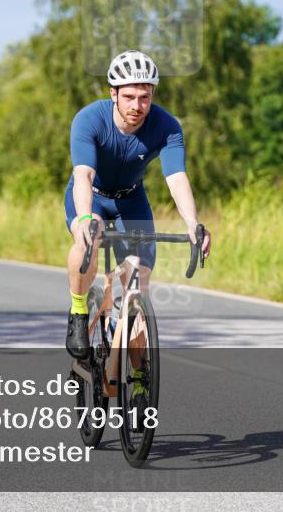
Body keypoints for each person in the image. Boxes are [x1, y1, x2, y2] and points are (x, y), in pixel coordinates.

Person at [64, 49, 211, 359]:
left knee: (137, 288)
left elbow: (176, 177)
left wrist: (192, 224)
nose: (137, 106)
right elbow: (84, 175)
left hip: (131, 201)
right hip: (92, 195)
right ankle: (78, 311)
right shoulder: (89, 119)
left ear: (152, 95)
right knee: (88, 237)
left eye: (144, 97)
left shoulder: (166, 126)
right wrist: (85, 218)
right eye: (129, 96)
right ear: (113, 93)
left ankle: (139, 371)